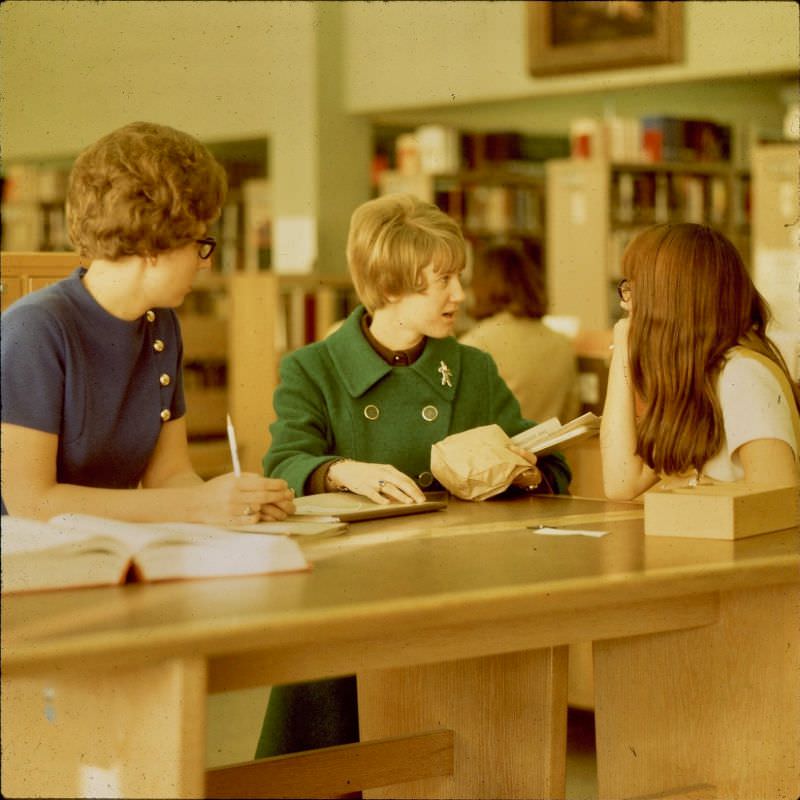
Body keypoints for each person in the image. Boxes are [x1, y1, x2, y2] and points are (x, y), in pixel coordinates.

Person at [256, 193, 571, 758]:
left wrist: (520, 473)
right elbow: (284, 465)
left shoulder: (472, 367)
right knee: (333, 758)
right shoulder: (312, 368)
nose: (460, 295)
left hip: (454, 594)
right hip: (346, 600)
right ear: (390, 285)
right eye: (441, 280)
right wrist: (343, 471)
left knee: (456, 754)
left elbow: (548, 464)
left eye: (459, 277)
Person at [1, 122, 294, 524]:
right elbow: (30, 503)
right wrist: (199, 505)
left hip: (110, 553)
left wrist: (238, 501)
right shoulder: (33, 330)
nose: (205, 262)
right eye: (200, 243)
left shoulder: (161, 325)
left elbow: (169, 476)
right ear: (154, 240)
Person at [600, 222, 800, 501]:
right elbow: (622, 484)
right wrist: (622, 347)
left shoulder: (741, 374)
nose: (627, 303)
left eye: (634, 289)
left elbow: (779, 492)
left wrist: (692, 489)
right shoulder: (696, 376)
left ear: (669, 301)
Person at [460, 242, 581, 423]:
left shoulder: (475, 344)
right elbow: (570, 412)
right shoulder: (562, 343)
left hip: (497, 450)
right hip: (549, 448)